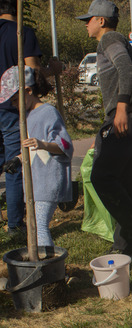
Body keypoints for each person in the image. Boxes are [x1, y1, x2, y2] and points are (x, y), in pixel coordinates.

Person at [77, 0, 132, 255]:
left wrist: (120, 108)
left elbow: (127, 70)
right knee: (125, 182)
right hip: (131, 116)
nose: (86, 24)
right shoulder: (116, 39)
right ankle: (129, 243)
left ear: (101, 20)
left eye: (88, 19)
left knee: (102, 176)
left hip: (128, 114)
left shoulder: (108, 39)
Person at [0, 66, 72, 247]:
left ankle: (49, 264)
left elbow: (65, 145)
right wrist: (17, 159)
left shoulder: (48, 113)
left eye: (16, 100)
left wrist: (42, 144)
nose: (15, 106)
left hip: (48, 181)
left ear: (28, 90)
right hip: (35, 183)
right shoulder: (29, 116)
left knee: (39, 227)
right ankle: (43, 260)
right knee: (33, 226)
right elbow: (31, 149)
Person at [0, 0, 42, 237]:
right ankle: (15, 223)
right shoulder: (21, 33)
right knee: (15, 161)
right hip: (11, 106)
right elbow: (32, 72)